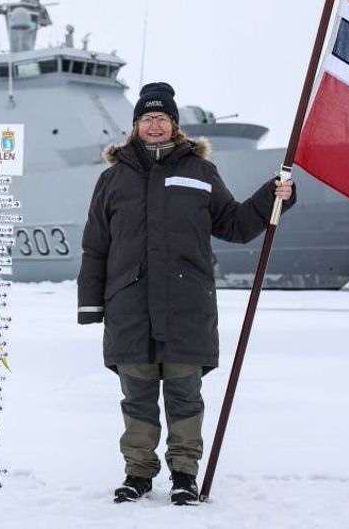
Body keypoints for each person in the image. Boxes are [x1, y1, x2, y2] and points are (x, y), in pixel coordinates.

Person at [77, 82, 294, 506]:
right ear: (135, 126)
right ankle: (137, 474)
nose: (154, 125)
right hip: (130, 308)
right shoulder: (112, 179)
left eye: (162, 119)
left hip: (186, 308)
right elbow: (95, 245)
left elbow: (234, 224)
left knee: (184, 397)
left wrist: (274, 197)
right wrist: (91, 305)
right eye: (147, 119)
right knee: (137, 398)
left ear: (174, 126)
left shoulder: (200, 172)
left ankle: (184, 474)